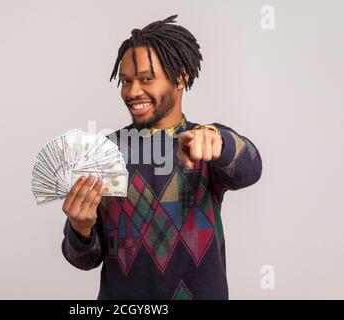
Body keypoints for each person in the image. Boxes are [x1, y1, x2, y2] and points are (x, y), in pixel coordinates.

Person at [60, 14, 262, 300]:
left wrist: (219, 140)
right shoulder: (105, 153)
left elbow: (250, 169)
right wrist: (80, 229)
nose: (133, 91)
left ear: (181, 77)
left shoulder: (205, 141)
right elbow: (85, 259)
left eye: (146, 79)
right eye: (126, 81)